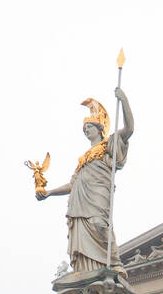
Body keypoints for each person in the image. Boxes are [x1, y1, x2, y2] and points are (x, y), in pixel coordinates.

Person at [37, 87, 134, 272]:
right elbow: (72, 185)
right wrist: (49, 192)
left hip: (98, 194)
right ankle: (86, 271)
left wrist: (124, 102)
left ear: (99, 129)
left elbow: (129, 128)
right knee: (81, 235)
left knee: (99, 224)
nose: (86, 131)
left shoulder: (109, 145)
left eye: (89, 127)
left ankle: (114, 264)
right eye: (84, 129)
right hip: (79, 202)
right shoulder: (83, 159)